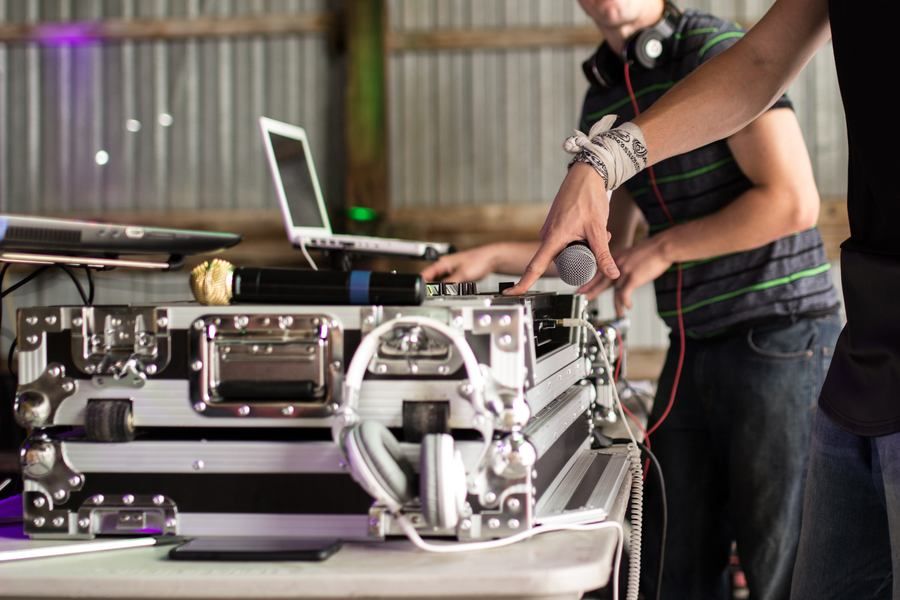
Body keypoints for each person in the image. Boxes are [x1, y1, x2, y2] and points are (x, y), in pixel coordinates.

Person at [423, 1, 842, 598]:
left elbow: (791, 202)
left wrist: (665, 248)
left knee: (782, 570)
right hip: (696, 344)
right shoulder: (604, 95)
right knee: (671, 561)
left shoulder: (712, 49)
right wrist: (491, 257)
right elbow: (605, 248)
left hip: (782, 338)